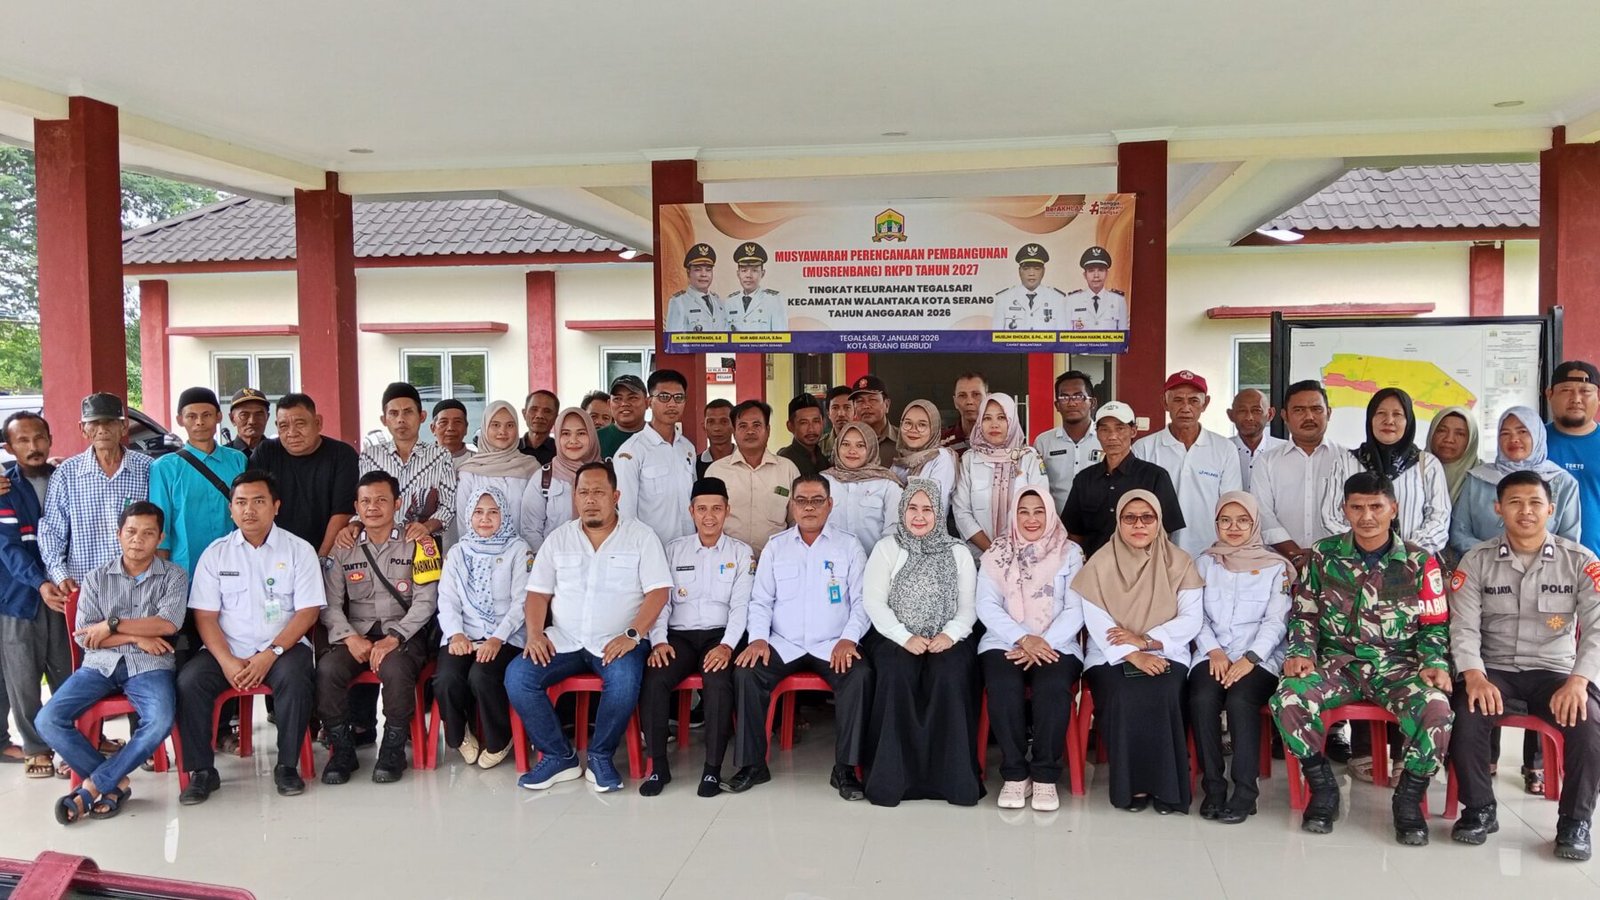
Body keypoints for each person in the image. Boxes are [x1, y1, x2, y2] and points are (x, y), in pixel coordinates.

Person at [1271, 471, 1454, 845]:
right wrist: (1301, 652)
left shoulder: (1419, 561)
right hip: (1338, 664)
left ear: (1393, 508)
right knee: (1288, 698)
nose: (1366, 516)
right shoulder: (1323, 555)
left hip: (1399, 667)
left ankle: (1408, 799)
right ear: (1345, 510)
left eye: (1376, 506)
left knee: (1436, 708)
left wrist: (1433, 662)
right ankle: (1323, 787)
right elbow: (1304, 614)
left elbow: (1434, 624)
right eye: (1357, 507)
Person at [1447, 469, 1600, 860]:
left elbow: (1597, 628)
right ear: (1498, 509)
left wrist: (1579, 682)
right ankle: (1479, 809)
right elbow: (1463, 627)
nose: (1526, 511)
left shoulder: (1579, 561)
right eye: (1515, 502)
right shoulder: (1476, 560)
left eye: (1535, 503)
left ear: (1551, 509)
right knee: (1465, 712)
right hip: (1494, 670)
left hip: (1555, 672)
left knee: (1589, 722)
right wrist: (1474, 676)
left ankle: (1575, 822)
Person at [504, 462, 670, 793]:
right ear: (575, 498)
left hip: (618, 641)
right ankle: (558, 755)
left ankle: (600, 755)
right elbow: (537, 594)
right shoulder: (559, 539)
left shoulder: (641, 537)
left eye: (598, 492)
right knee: (518, 677)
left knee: (623, 681)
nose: (590, 499)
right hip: (563, 640)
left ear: (616, 496)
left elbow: (658, 592)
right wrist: (535, 634)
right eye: (583, 493)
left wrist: (633, 635)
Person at [177, 471, 325, 803]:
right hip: (228, 648)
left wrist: (270, 654)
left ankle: (287, 765)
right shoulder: (216, 554)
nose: (249, 510)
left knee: (296, 678)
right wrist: (227, 661)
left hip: (283, 648)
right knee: (189, 682)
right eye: (241, 503)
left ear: (276, 506)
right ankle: (202, 771)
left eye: (258, 501)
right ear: (231, 509)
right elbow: (205, 616)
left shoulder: (299, 550)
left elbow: (308, 613)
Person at [35, 501, 186, 824]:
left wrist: (112, 625)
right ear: (119, 534)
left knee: (159, 720)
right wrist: (136, 637)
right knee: (48, 719)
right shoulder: (96, 578)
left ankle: (95, 785)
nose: (137, 540)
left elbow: (167, 624)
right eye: (131, 532)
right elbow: (85, 635)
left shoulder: (174, 576)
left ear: (160, 538)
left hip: (150, 664)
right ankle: (114, 782)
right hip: (100, 664)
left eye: (148, 533)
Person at [726, 474, 872, 801]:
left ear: (830, 505)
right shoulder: (776, 547)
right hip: (783, 642)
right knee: (746, 673)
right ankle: (752, 765)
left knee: (859, 675)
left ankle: (846, 768)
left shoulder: (848, 546)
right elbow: (760, 600)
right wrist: (758, 638)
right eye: (802, 501)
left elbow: (862, 601)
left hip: (832, 643)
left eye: (817, 501)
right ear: (791, 505)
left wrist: (849, 639)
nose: (809, 508)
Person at [1077, 491, 1204, 814]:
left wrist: (1146, 642)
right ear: (1118, 522)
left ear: (1159, 521)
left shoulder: (1180, 562)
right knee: (1123, 692)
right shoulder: (1100, 563)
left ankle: (1167, 788)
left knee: (1165, 690)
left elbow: (1191, 619)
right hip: (1110, 654)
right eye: (1129, 517)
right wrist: (1132, 654)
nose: (1138, 525)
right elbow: (1096, 620)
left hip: (1166, 650)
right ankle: (1131, 786)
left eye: (1147, 517)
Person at [861, 480, 982, 807]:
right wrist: (904, 636)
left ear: (938, 513)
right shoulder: (887, 548)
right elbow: (874, 602)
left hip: (948, 635)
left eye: (927, 509)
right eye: (912, 508)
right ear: (902, 511)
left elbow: (969, 606)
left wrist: (950, 634)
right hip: (894, 634)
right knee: (896, 671)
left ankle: (952, 780)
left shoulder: (958, 551)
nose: (919, 516)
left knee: (949, 673)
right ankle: (892, 780)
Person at [316, 471, 441, 785]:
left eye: (381, 500)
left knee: (396, 670)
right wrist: (350, 638)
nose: (373, 507)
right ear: (356, 506)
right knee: (328, 670)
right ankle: (342, 749)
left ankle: (393, 749)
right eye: (366, 501)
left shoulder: (421, 543)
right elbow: (329, 604)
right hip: (356, 632)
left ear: (397, 504)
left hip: (404, 632)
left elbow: (426, 602)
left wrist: (394, 637)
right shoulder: (343, 546)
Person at [638, 477, 752, 797]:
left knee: (717, 681)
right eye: (702, 509)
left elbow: (741, 606)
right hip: (680, 637)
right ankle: (658, 766)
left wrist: (727, 646)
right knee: (655, 677)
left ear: (727, 510)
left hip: (720, 636)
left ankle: (712, 770)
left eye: (717, 508)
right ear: (691, 511)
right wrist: (659, 641)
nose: (709, 516)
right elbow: (662, 602)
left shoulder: (741, 553)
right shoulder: (674, 550)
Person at [977, 488, 1086, 811]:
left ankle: (1044, 775)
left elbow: (1076, 608)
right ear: (1014, 515)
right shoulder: (997, 552)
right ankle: (1015, 773)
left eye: (1039, 511)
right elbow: (986, 605)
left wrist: (1043, 642)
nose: (1031, 518)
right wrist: (1024, 639)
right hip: (1005, 641)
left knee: (1052, 686)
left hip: (1057, 642)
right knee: (1003, 684)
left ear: (1050, 514)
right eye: (1023, 511)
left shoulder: (1070, 553)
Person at [1189, 492, 1291, 824]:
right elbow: (1195, 615)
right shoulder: (1204, 563)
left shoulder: (1275, 566)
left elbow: (1276, 621)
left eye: (1243, 520)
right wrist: (1214, 651)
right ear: (1216, 523)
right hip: (1212, 653)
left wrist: (1250, 658)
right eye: (1226, 520)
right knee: (1202, 699)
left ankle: (1246, 792)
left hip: (1259, 658)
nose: (1234, 528)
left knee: (1240, 701)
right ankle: (1214, 787)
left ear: (1254, 523)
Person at [434, 487, 528, 770]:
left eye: (493, 512)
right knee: (446, 678)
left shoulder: (518, 550)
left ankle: (500, 739)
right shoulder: (458, 552)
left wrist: (497, 638)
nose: (485, 518)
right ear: (469, 516)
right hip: (464, 633)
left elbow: (522, 602)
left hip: (506, 635)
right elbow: (447, 600)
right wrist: (456, 634)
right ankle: (459, 734)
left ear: (504, 515)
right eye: (478, 512)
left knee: (481, 676)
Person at [0, 412, 69, 778]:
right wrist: (40, 582)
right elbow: (8, 548)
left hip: (64, 593)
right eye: (23, 441)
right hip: (18, 597)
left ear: (50, 438)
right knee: (23, 677)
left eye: (39, 438)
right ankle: (36, 748)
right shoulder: (5, 488)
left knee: (68, 672)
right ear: (9, 448)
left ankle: (74, 741)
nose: (33, 446)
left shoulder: (65, 478)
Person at [40, 393, 153, 598]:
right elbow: (51, 531)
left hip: (140, 586)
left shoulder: (147, 469)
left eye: (110, 422)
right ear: (83, 429)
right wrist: (60, 575)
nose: (102, 429)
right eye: (94, 423)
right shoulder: (67, 474)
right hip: (85, 588)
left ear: (124, 426)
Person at [1321, 387, 1452, 556]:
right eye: (1381, 413)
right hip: (1355, 564)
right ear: (1370, 419)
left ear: (1408, 421)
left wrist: (1403, 552)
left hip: (1412, 562)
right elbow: (1330, 517)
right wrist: (1366, 548)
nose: (1389, 420)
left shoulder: (1427, 464)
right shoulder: (1346, 462)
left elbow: (1439, 520)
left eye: (1397, 414)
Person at [1132, 371, 1242, 556]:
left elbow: (1231, 504)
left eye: (1193, 401)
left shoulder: (1224, 448)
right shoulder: (1143, 448)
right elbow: (1138, 505)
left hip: (1211, 553)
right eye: (1178, 400)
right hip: (1158, 552)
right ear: (1165, 403)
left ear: (1205, 404)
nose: (1185, 408)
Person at [1452, 405, 1581, 557]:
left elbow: (1569, 541)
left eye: (1522, 431)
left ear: (1537, 435)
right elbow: (1459, 534)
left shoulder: (1563, 482)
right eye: (1505, 433)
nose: (1513, 439)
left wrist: (1530, 561)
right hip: (1483, 566)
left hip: (1546, 568)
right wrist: (1496, 557)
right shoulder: (1478, 478)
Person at [1062, 401, 1184, 557]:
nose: (1112, 436)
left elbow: (1167, 531)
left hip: (1142, 567)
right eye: (1105, 429)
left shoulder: (1155, 476)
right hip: (1095, 567)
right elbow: (1074, 533)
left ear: (1133, 431)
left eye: (1120, 428)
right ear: (1097, 433)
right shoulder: (1084, 479)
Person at [148, 387, 247, 578]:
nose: (199, 422)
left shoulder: (237, 460)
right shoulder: (164, 467)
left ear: (218, 416)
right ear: (180, 420)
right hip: (185, 567)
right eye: (191, 416)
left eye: (206, 415)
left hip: (234, 562)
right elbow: (160, 525)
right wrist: (163, 576)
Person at [249, 393, 359, 556]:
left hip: (328, 552)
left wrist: (321, 559)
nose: (292, 433)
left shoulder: (342, 455)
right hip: (273, 554)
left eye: (300, 424)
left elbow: (342, 512)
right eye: (283, 426)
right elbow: (255, 502)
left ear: (318, 423)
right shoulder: (266, 452)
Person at [1254, 380, 1345, 570]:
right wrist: (1295, 555)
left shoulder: (1347, 460)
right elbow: (1263, 514)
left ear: (1329, 413)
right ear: (1284, 416)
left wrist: (1322, 556)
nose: (1309, 416)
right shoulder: (1266, 462)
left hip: (1338, 566)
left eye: (1316, 409)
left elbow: (1355, 515)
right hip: (1281, 566)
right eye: (1299, 410)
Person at [356, 382, 457, 543]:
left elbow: (448, 505)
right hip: (379, 545)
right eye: (393, 413)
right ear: (384, 420)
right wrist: (353, 525)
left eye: (408, 412)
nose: (401, 419)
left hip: (423, 546)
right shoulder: (370, 456)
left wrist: (426, 527)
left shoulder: (440, 456)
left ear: (422, 416)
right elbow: (361, 503)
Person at [954, 393, 1049, 555]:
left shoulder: (1029, 457)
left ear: (1011, 420)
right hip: (979, 557)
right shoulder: (970, 459)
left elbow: (1043, 508)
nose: (994, 425)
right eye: (987, 418)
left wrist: (1013, 553)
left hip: (1023, 555)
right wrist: (993, 552)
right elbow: (961, 511)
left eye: (1001, 417)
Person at [614, 369, 697, 543]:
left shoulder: (687, 448)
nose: (672, 404)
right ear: (649, 402)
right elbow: (627, 515)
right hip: (652, 550)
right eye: (664, 397)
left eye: (679, 398)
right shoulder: (632, 451)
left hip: (688, 548)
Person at [706, 400, 798, 555]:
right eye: (743, 426)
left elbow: (796, 520)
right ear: (734, 432)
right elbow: (707, 520)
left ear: (768, 430)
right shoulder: (716, 471)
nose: (750, 431)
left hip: (777, 558)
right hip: (728, 560)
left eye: (756, 425)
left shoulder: (787, 469)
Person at [455, 401, 541, 548]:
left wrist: (528, 554)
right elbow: (464, 522)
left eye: (510, 425)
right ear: (485, 427)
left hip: (521, 553)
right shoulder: (470, 470)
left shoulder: (530, 468)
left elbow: (535, 519)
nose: (502, 431)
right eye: (495, 425)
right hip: (478, 555)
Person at [520, 407, 599, 553]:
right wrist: (547, 561)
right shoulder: (544, 478)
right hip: (556, 562)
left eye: (581, 433)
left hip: (600, 560)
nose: (573, 440)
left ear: (592, 435)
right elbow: (530, 530)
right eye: (565, 433)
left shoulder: (607, 475)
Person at [822, 421, 904, 557]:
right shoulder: (824, 481)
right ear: (837, 446)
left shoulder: (887, 484)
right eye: (845, 444)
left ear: (871, 448)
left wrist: (881, 562)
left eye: (860, 445)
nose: (852, 451)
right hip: (830, 564)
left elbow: (894, 529)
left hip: (875, 562)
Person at [1546, 360, 1600, 557]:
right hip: (1542, 562)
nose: (1576, 399)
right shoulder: (1532, 442)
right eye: (1566, 390)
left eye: (1585, 391)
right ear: (1549, 394)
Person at [1034, 370, 1101, 514]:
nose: (1071, 403)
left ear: (1092, 402)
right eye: (1064, 397)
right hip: (1057, 522)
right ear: (1057, 405)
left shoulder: (1105, 439)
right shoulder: (1043, 442)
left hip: (1098, 523)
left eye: (1078, 396)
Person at [892, 399, 958, 512]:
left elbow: (933, 503)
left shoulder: (941, 457)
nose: (913, 430)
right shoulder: (900, 460)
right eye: (908, 423)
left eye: (922, 425)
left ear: (933, 428)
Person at [991, 244, 1066, 331]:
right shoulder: (1003, 299)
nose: (1031, 273)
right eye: (1026, 268)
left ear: (1043, 271)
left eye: (1037, 268)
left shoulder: (1057, 299)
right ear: (1019, 271)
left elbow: (1062, 337)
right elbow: (995, 336)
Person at [1226, 388, 1285, 491]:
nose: (1249, 417)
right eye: (1242, 411)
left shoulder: (1284, 451)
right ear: (1231, 415)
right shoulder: (1220, 451)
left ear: (1270, 414)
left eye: (1256, 411)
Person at [725, 242, 788, 332]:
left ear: (762, 273)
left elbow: (781, 337)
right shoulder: (730, 302)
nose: (748, 276)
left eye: (754, 270)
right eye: (744, 270)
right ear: (738, 274)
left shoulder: (774, 300)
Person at [1063, 246, 1128, 331]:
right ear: (1085, 275)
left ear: (1107, 273)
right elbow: (1066, 336)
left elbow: (1123, 336)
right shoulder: (1072, 301)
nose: (1096, 275)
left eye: (1101, 270)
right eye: (1091, 270)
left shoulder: (1118, 300)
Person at [664, 244, 727, 333]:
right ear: (688, 273)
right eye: (698, 269)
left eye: (708, 270)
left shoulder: (718, 302)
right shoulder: (679, 302)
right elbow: (673, 339)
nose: (704, 274)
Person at [1428, 405, 1480, 507]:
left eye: (1460, 434)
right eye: (1442, 431)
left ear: (1471, 440)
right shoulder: (1412, 471)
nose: (1449, 439)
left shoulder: (1484, 480)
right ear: (1431, 434)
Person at [848, 375, 898, 466]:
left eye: (872, 400)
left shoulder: (902, 440)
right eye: (860, 401)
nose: (866, 406)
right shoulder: (846, 442)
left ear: (887, 405)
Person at [597, 375, 647, 461]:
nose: (624, 403)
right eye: (617, 398)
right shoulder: (595, 439)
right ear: (609, 404)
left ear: (647, 402)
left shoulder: (660, 437)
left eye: (632, 398)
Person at [778, 393, 828, 479]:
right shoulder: (784, 461)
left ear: (823, 423)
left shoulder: (824, 460)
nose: (811, 429)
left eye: (816, 421)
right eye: (803, 423)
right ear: (790, 426)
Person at [942, 372, 988, 456]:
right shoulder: (942, 442)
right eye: (962, 395)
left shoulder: (999, 437)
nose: (969, 402)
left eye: (976, 394)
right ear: (955, 402)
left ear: (988, 398)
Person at [224, 388, 271, 459]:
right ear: (232, 419)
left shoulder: (280, 453)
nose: (252, 421)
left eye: (258, 414)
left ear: (267, 417)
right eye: (244, 415)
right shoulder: (223, 456)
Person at [518, 390, 560, 465]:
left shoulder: (561, 452)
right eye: (534, 409)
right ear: (524, 414)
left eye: (547, 411)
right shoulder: (511, 449)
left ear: (556, 418)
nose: (539, 415)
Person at [429, 398, 473, 465]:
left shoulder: (478, 461)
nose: (450, 428)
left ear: (466, 428)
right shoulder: (421, 461)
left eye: (457, 422)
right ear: (433, 428)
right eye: (443, 422)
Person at [698, 398, 735, 478]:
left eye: (724, 421)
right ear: (704, 427)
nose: (717, 428)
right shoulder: (695, 465)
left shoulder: (747, 461)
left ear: (734, 425)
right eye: (711, 422)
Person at [820, 385, 853, 460]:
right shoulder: (819, 446)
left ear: (855, 411)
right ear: (828, 413)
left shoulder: (865, 443)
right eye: (835, 408)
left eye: (847, 407)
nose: (841, 414)